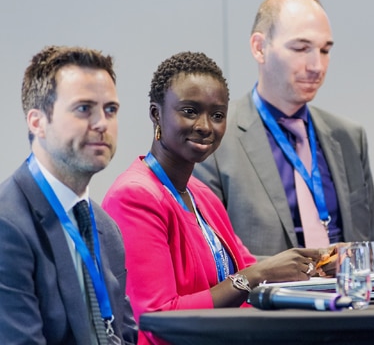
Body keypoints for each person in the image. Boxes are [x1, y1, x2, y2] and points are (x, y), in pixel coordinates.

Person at [102, 51, 325, 344]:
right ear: (156, 113)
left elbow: (252, 269)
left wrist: (320, 263)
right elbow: (156, 319)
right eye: (190, 111)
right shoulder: (135, 197)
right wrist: (255, 276)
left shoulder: (202, 195)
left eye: (217, 115)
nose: (206, 126)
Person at [192, 0, 374, 271]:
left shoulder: (348, 137)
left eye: (325, 50)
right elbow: (215, 259)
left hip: (349, 309)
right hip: (267, 310)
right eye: (301, 48)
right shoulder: (216, 139)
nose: (316, 66)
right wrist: (316, 266)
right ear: (260, 48)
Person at [0, 46, 137, 344]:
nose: (102, 123)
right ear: (37, 122)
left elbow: (125, 335)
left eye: (110, 109)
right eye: (84, 108)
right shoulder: (7, 226)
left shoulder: (106, 228)